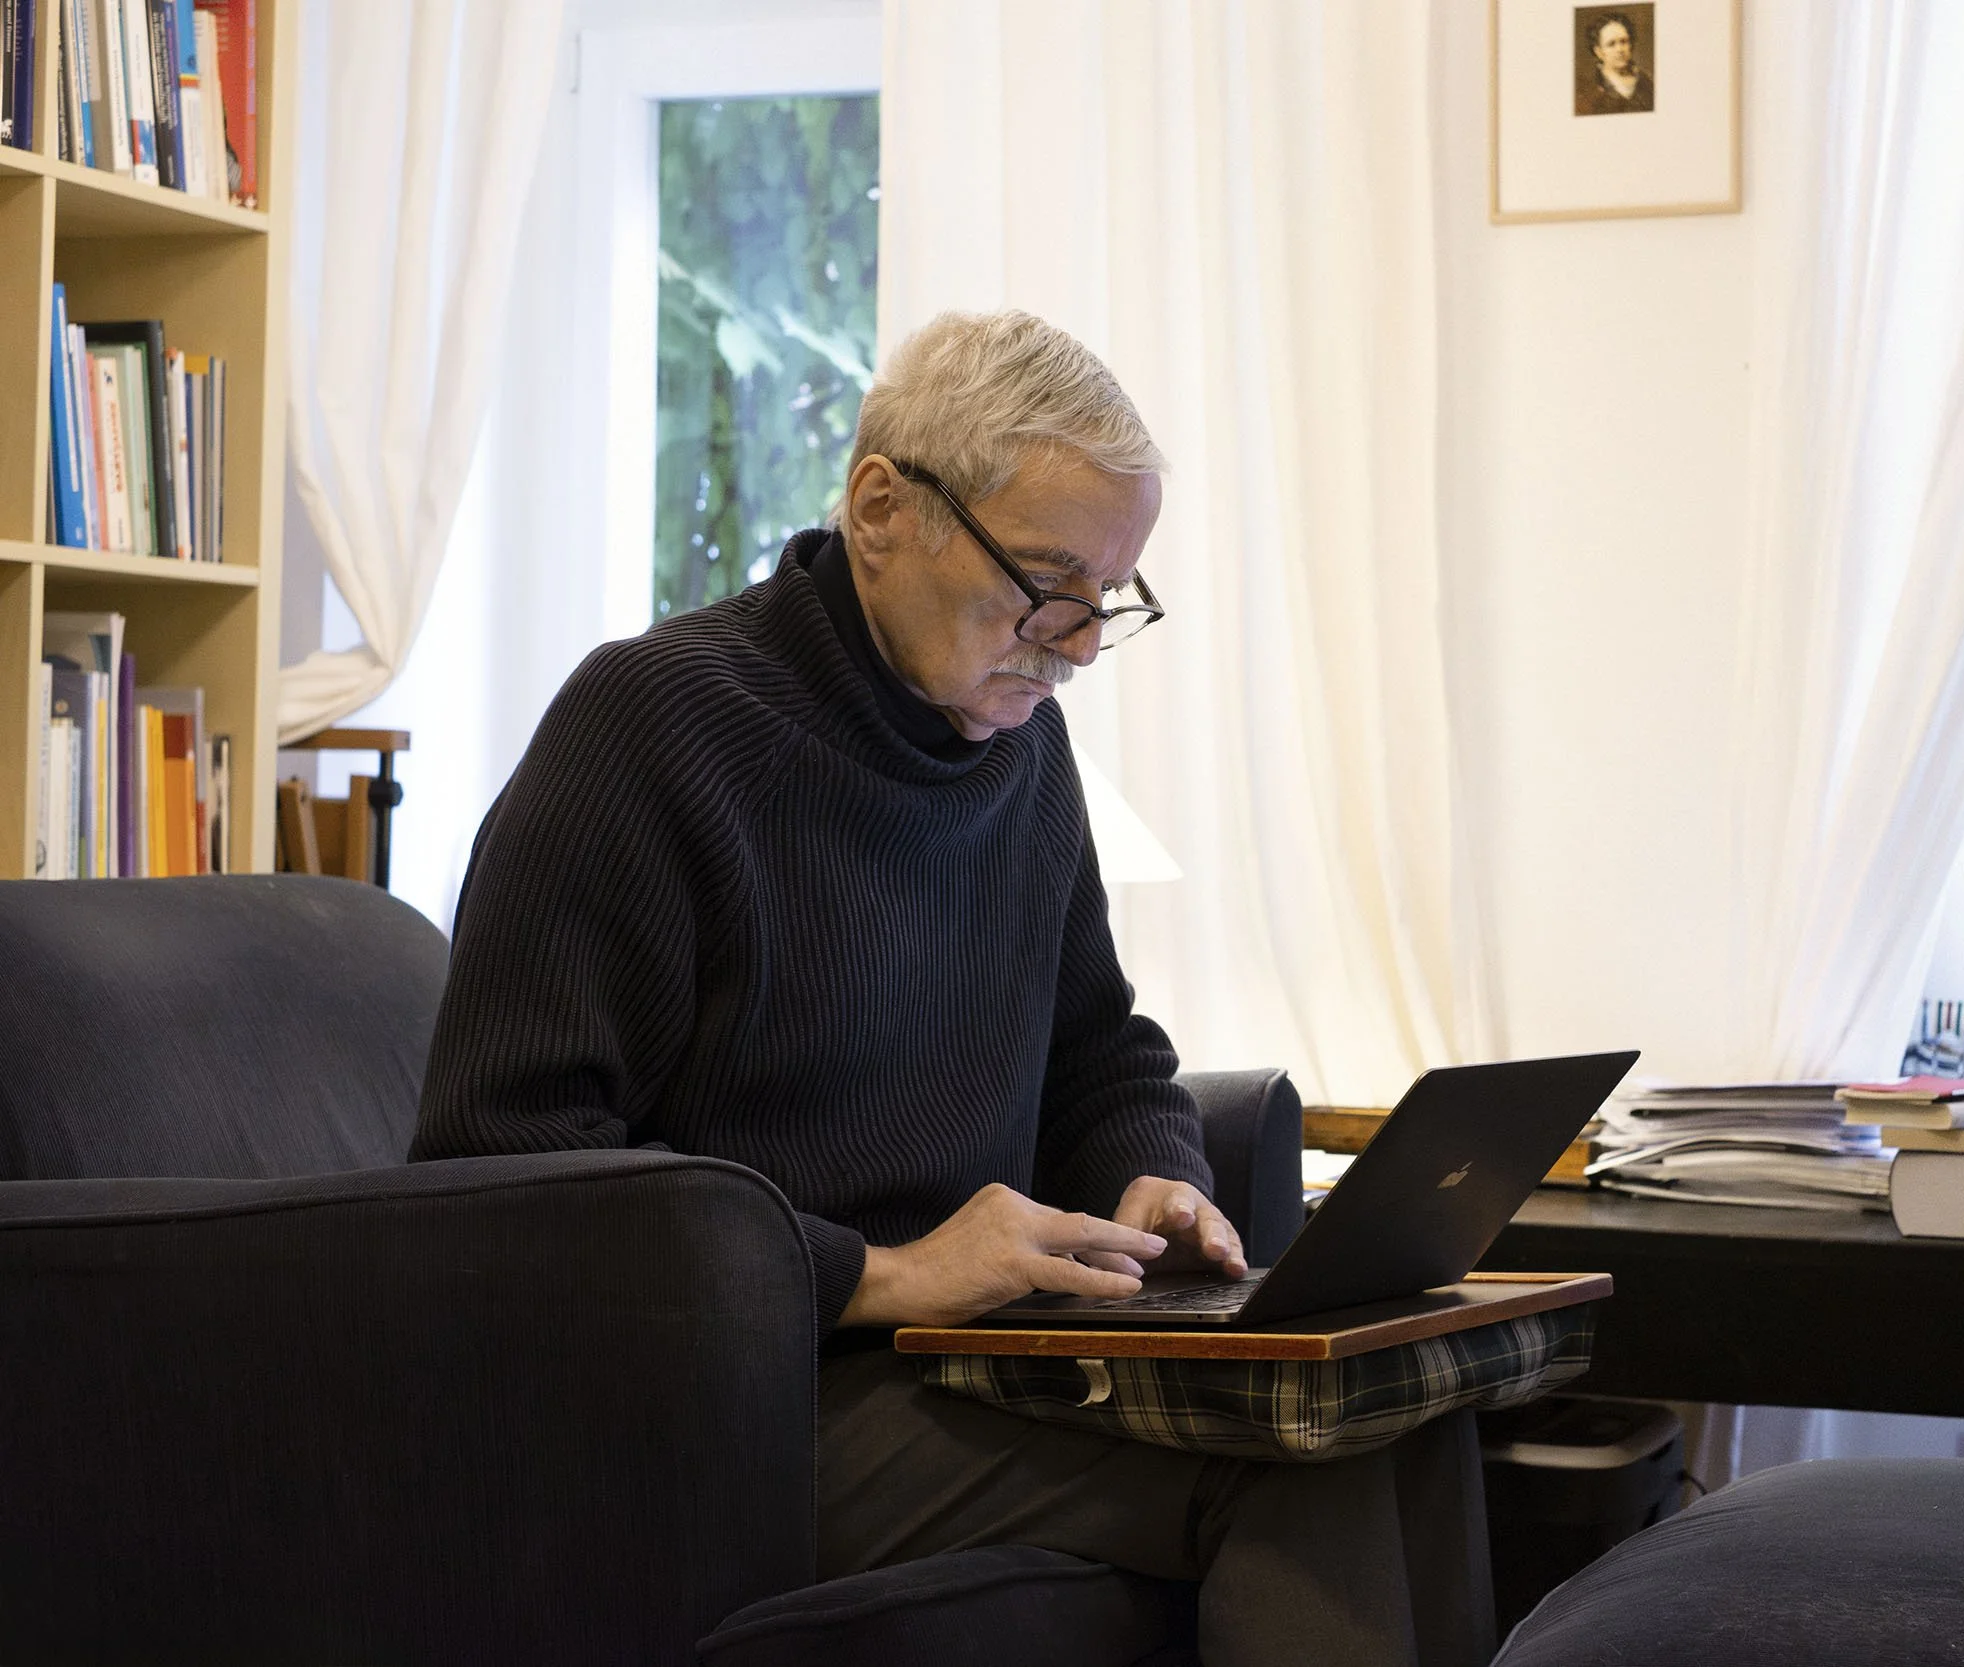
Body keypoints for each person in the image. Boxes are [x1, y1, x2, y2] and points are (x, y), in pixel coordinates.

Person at [410, 309, 1494, 1667]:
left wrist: (1155, 1177)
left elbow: (1102, 1056)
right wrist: (885, 1269)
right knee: (1299, 1458)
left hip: (971, 1358)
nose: (1078, 645)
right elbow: (498, 1179)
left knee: (1400, 1404)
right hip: (723, 1399)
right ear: (882, 509)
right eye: (1047, 585)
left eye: (1109, 599)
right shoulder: (649, 728)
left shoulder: (1018, 754)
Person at [1575, 11, 1655, 116]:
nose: (1620, 49)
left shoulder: (1647, 81)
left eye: (1623, 41)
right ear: (1598, 51)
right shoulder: (1590, 90)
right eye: (1611, 44)